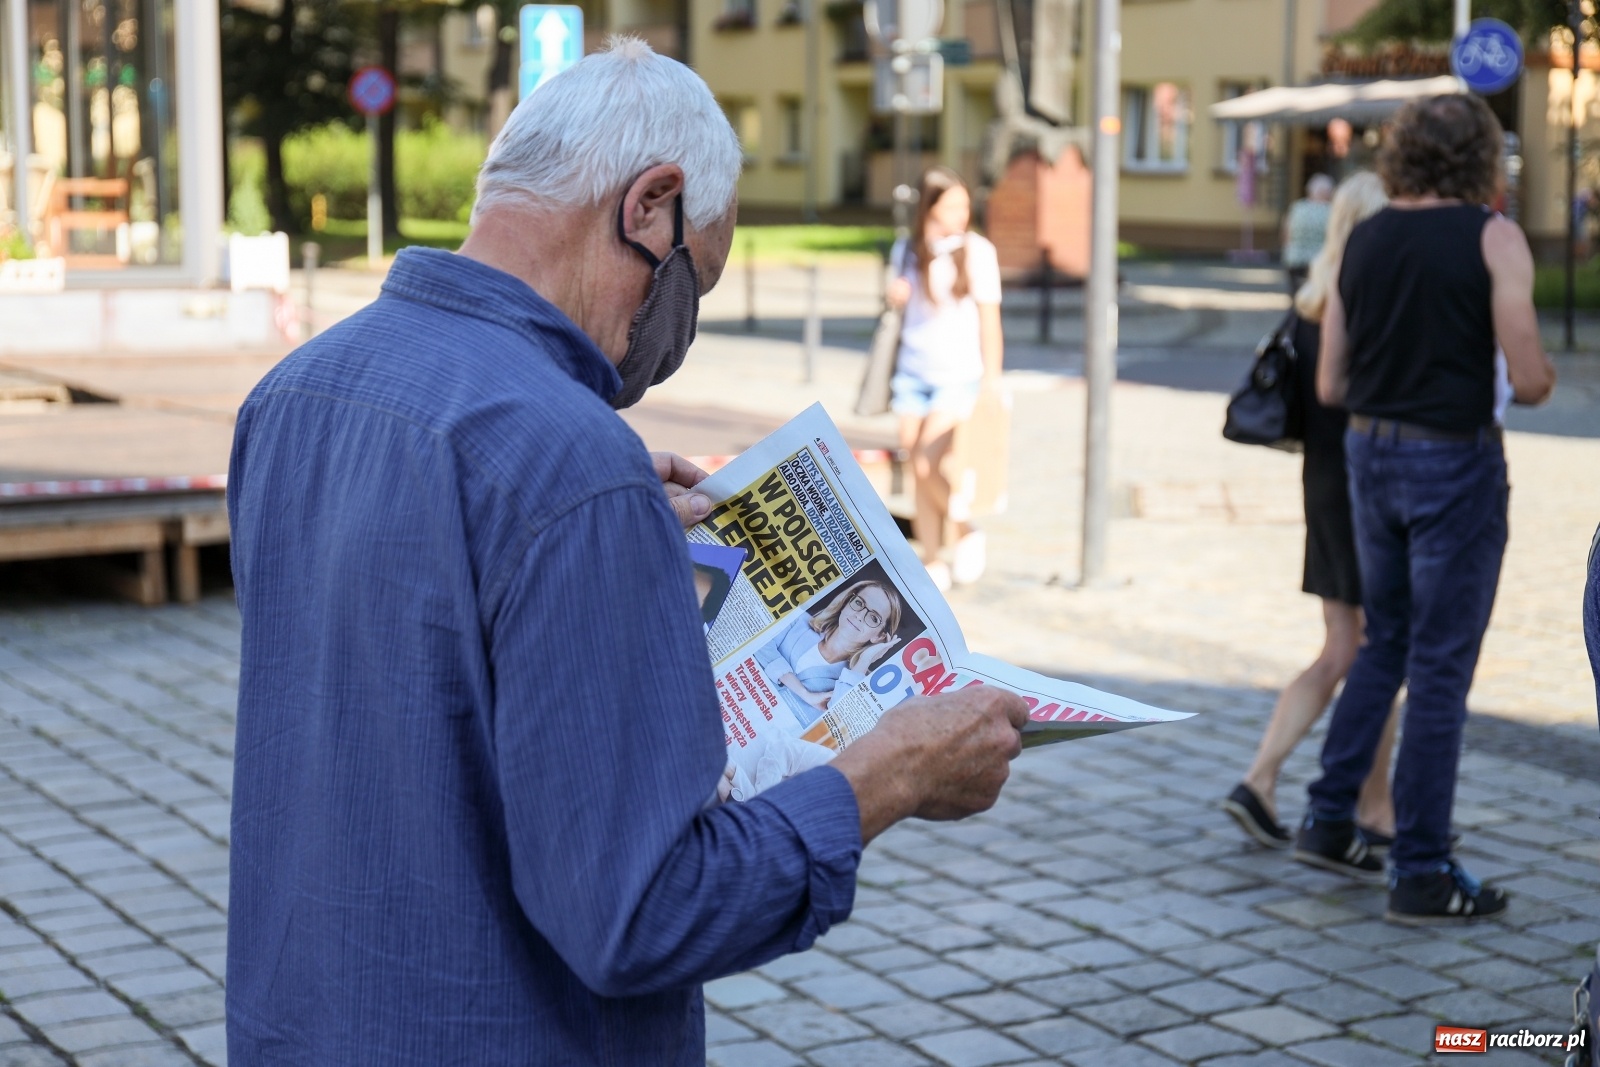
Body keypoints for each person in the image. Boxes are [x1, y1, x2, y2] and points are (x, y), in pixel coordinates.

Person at [224, 40, 1028, 1066]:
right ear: (649, 206)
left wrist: (580, 520)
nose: (674, 338)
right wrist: (894, 769)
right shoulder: (572, 464)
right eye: (695, 286)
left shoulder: (295, 394)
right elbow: (645, 909)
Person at [1297, 94, 1556, 924]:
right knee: (1441, 667)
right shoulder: (1493, 236)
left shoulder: (1364, 237)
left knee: (1386, 643)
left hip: (1368, 452)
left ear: (1403, 152)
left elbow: (1330, 383)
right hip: (1455, 460)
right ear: (1482, 158)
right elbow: (1532, 373)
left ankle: (1329, 816)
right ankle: (1421, 868)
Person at [1223, 172, 1400, 851]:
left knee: (1343, 647)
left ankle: (1265, 780)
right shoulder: (1366, 300)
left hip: (1323, 488)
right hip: (1365, 486)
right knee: (1375, 649)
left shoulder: (1311, 299)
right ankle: (1368, 804)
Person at [887, 167, 1003, 591]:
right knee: (916, 469)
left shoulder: (978, 251)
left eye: (964, 204)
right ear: (929, 207)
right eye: (951, 204)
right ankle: (933, 560)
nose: (961, 212)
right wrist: (894, 295)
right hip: (911, 375)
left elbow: (990, 320)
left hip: (958, 377)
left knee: (926, 460)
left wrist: (992, 380)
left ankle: (965, 529)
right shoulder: (907, 249)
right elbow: (899, 308)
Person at [757, 578, 903, 727]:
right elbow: (759, 645)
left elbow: (837, 720)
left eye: (873, 618)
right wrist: (805, 694)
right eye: (859, 603)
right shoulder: (799, 620)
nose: (859, 616)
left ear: (879, 636)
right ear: (847, 602)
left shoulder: (852, 681)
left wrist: (864, 661)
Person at [1282, 173, 1335, 293]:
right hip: (1319, 262)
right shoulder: (1331, 211)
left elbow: (1286, 234)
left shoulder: (1297, 207)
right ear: (1326, 192)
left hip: (1294, 260)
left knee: (1297, 297)